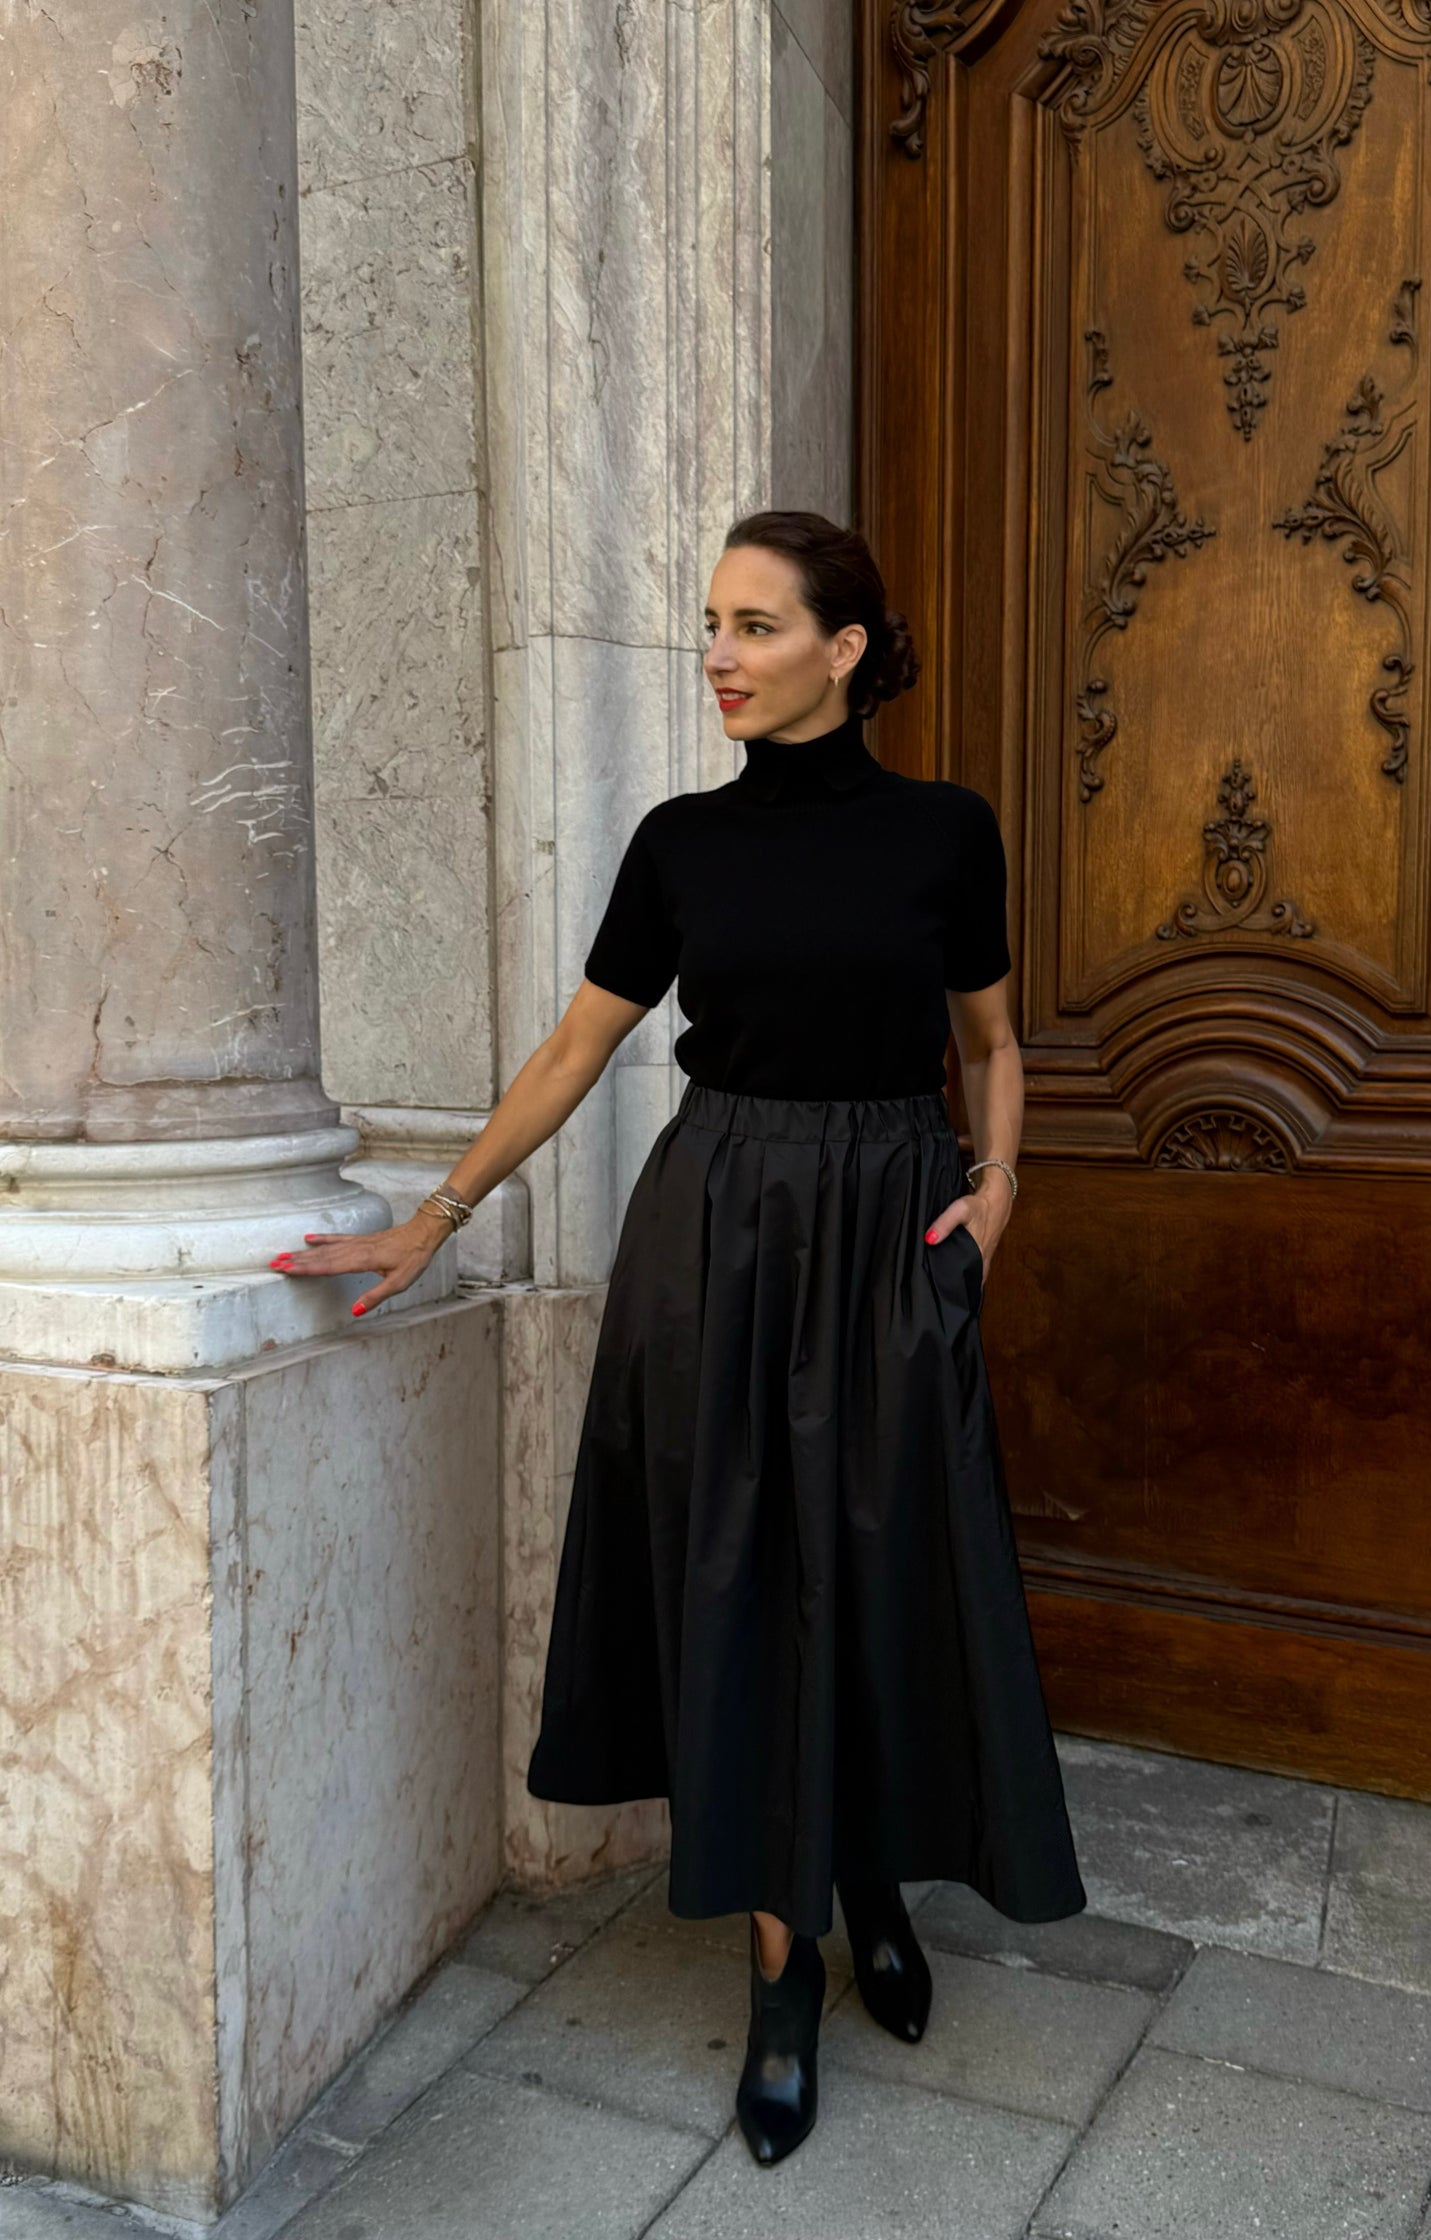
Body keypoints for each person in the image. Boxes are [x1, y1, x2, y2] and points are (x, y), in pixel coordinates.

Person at [268, 509, 1086, 2166]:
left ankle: (867, 1876)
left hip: (890, 1227)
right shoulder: (677, 844)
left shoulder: (946, 832)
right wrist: (435, 1216)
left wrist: (996, 1195)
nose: (716, 654)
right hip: (717, 1233)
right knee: (745, 1575)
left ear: (844, 651)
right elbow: (577, 1049)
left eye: (754, 627)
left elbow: (992, 1041)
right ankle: (785, 1966)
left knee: (884, 1561)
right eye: (711, 623)